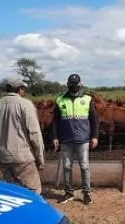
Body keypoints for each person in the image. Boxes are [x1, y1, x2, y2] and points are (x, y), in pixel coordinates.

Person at [0, 78, 45, 194]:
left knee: (13, 191)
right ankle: (29, 212)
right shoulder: (25, 104)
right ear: (20, 89)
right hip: (22, 157)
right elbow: (34, 133)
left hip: (2, 157)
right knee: (33, 191)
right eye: (23, 89)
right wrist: (40, 156)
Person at [51, 73, 99, 205]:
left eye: (75, 85)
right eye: (70, 85)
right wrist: (55, 137)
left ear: (79, 85)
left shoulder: (87, 99)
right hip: (66, 139)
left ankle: (87, 193)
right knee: (66, 166)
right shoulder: (60, 99)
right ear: (68, 85)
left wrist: (94, 136)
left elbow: (94, 120)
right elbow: (55, 121)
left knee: (84, 166)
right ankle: (69, 192)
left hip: (83, 139)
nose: (73, 87)